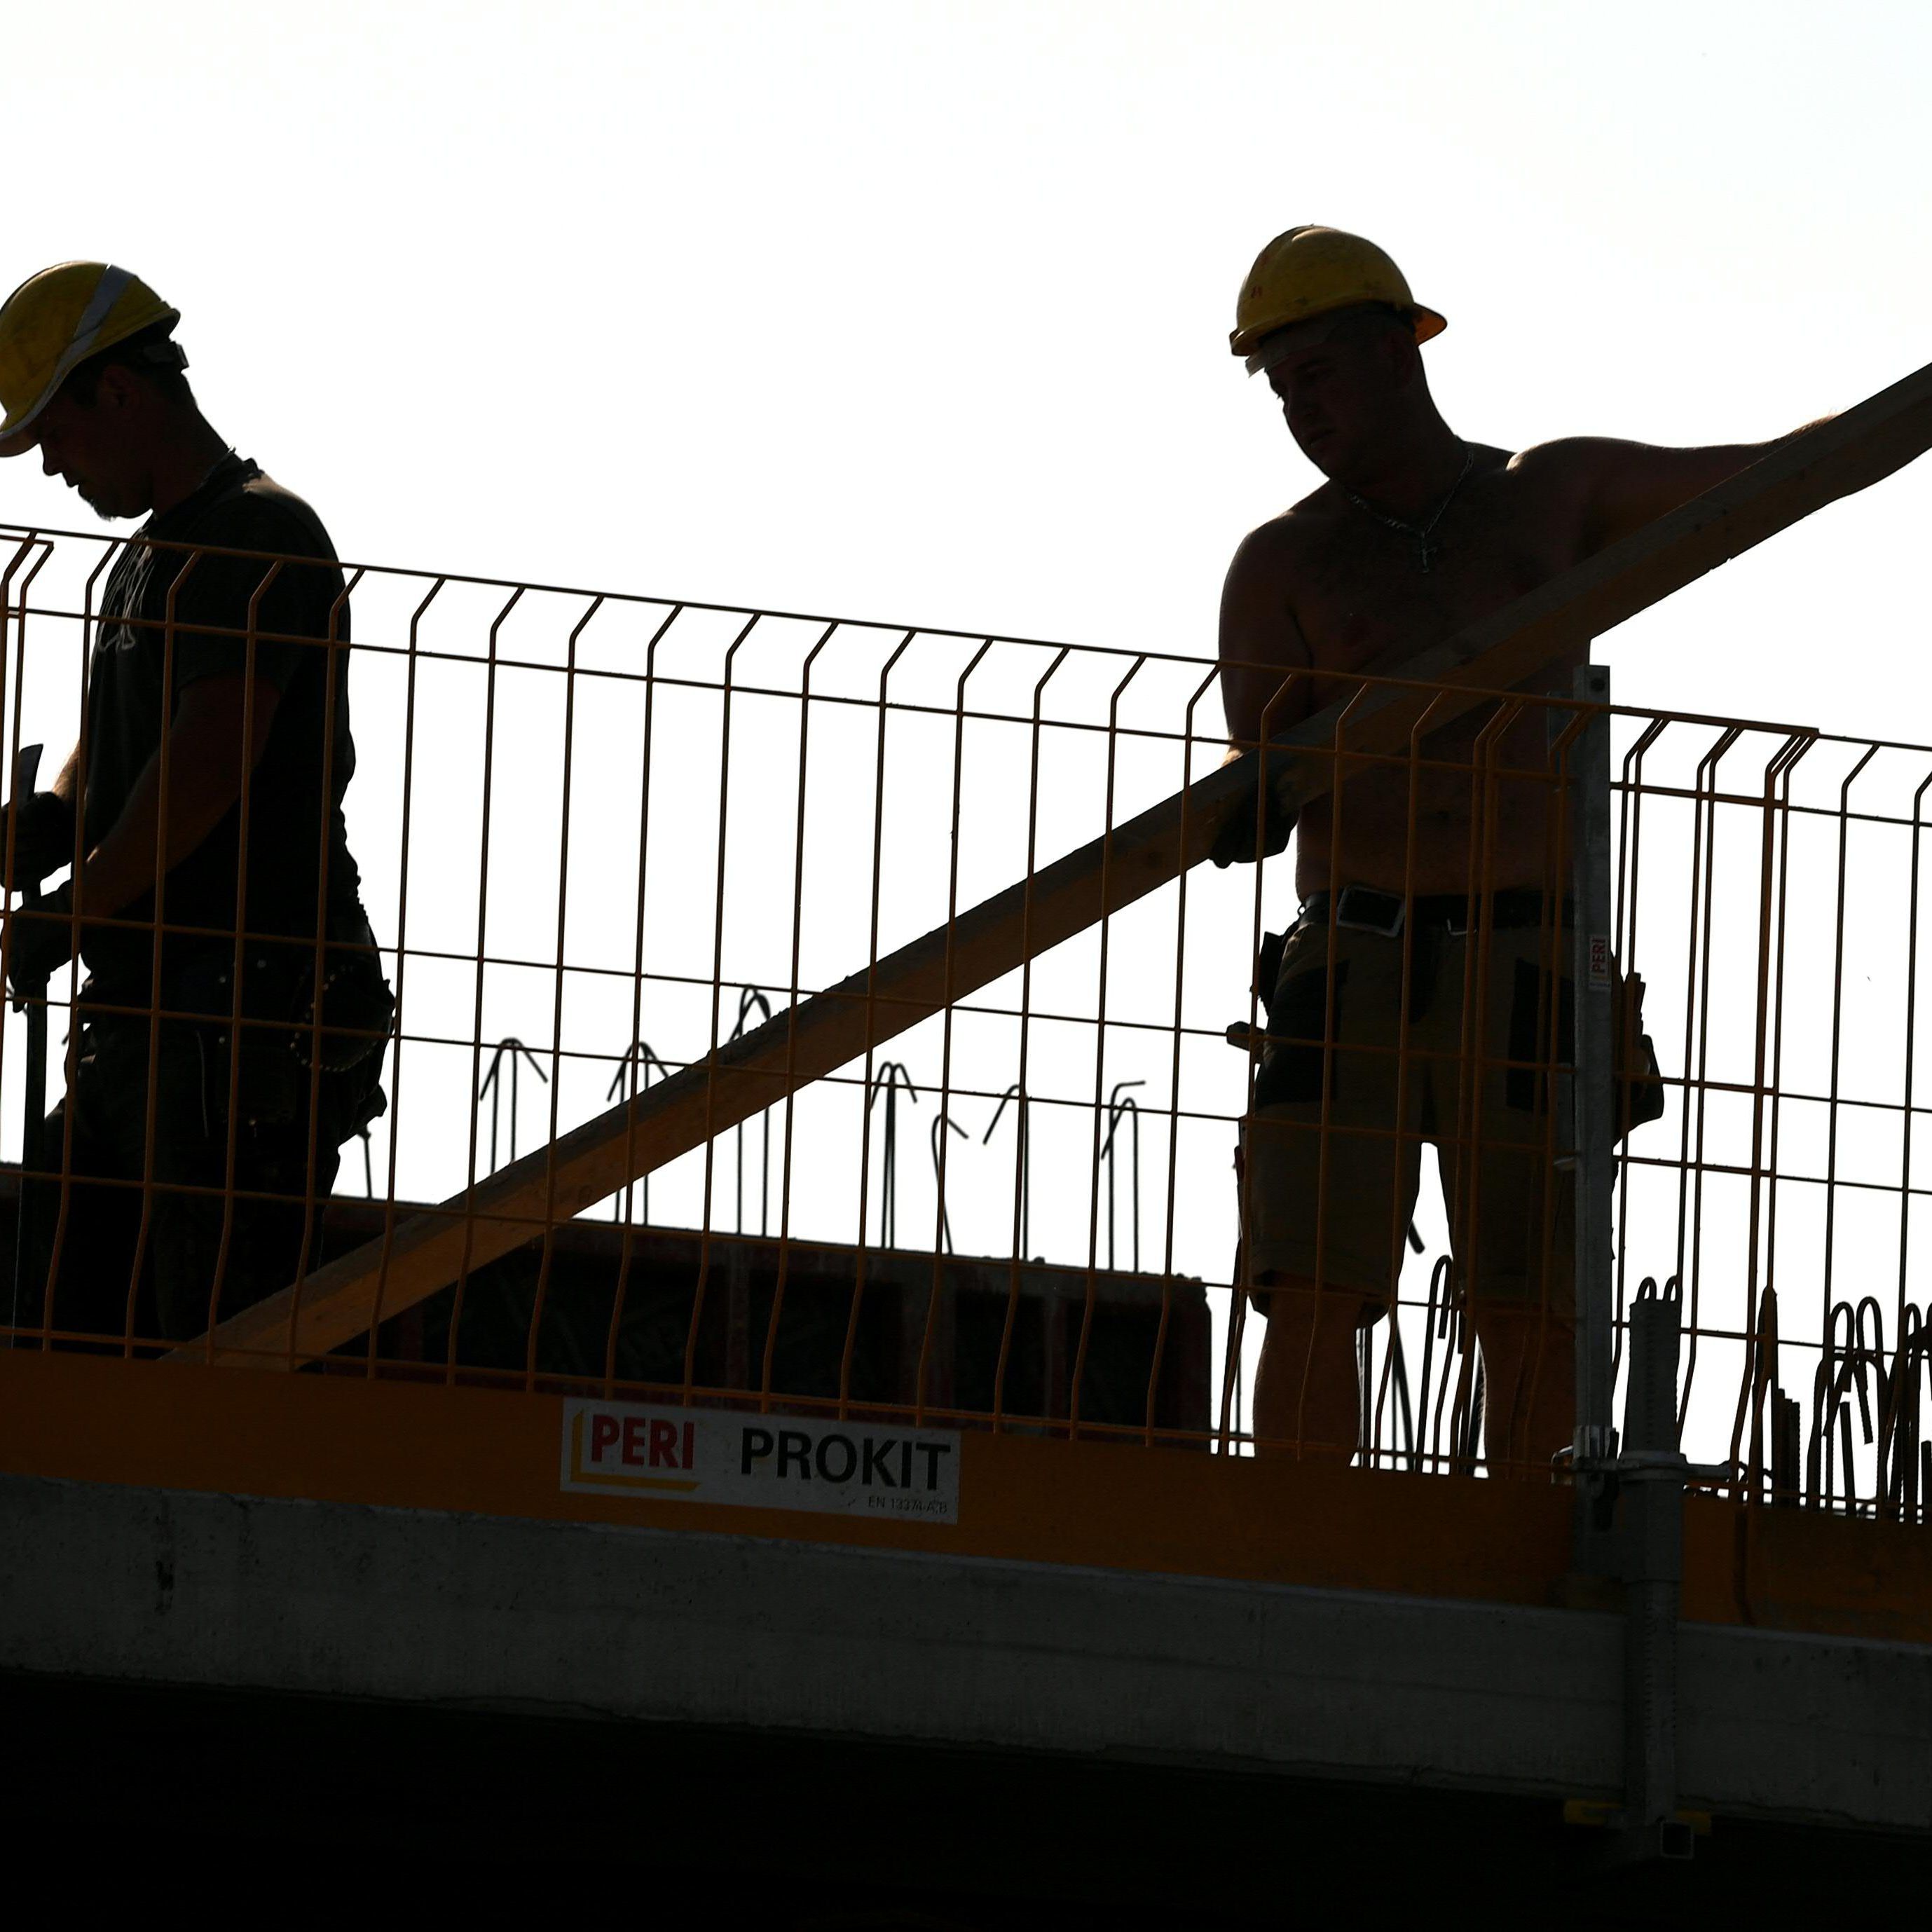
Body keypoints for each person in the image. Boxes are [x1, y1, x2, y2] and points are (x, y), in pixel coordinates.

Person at [1215, 226, 1830, 1472]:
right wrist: (1276, 777)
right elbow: (1259, 793)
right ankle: (1291, 1548)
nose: (1300, 410)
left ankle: (1516, 1542)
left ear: (1398, 353)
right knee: (1310, 1277)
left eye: (1318, 374)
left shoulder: (1547, 498)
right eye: (1280, 389)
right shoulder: (1283, 560)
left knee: (1529, 1290)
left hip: (1525, 947)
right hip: (1357, 953)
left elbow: (1776, 477)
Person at [0, 261, 390, 1348]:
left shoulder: (256, 539)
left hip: (243, 1014)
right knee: (68, 1329)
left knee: (206, 1344)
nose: (52, 471)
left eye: (55, 439)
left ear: (116, 393)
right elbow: (116, 763)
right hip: (154, 1019)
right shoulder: (147, 564)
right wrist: (51, 826)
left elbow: (204, 771)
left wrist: (72, 912)